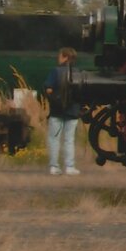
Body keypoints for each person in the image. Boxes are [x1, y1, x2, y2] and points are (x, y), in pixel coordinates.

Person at [42, 47, 81, 175]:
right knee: (69, 139)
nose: (58, 58)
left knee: (54, 138)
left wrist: (55, 99)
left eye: (60, 56)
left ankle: (54, 166)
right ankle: (69, 167)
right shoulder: (78, 72)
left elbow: (48, 88)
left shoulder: (55, 71)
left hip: (57, 110)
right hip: (73, 110)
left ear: (65, 57)